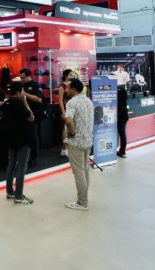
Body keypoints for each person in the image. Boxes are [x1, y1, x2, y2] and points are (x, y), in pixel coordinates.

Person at [2, 82, 35, 205]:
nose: (23, 94)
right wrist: (25, 102)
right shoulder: (19, 105)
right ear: (17, 93)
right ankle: (19, 196)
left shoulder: (5, 104)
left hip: (10, 139)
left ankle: (10, 192)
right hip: (22, 139)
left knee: (11, 165)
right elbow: (31, 117)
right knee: (21, 167)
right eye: (22, 92)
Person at [64, 78, 94, 211]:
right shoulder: (88, 100)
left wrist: (71, 133)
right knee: (85, 170)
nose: (66, 90)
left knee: (79, 172)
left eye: (67, 88)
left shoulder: (72, 102)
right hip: (88, 140)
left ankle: (82, 202)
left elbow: (68, 121)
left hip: (76, 142)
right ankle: (84, 198)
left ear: (74, 89)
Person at [18, 68, 43, 168]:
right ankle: (26, 158)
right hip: (24, 114)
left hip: (34, 114)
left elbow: (39, 99)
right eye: (20, 77)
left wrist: (25, 94)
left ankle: (34, 158)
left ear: (29, 76)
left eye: (23, 77)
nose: (21, 79)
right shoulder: (22, 85)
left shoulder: (35, 85)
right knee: (26, 137)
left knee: (33, 137)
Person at [111, 63, 130, 158]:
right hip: (124, 115)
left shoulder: (114, 91)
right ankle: (122, 151)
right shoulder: (123, 91)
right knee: (122, 133)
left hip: (119, 115)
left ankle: (120, 151)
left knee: (120, 133)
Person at [57, 69, 75, 157]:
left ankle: (70, 147)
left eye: (73, 75)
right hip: (65, 108)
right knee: (64, 129)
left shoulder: (72, 85)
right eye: (71, 74)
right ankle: (64, 149)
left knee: (71, 128)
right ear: (66, 75)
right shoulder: (62, 86)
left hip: (72, 108)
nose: (72, 76)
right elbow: (60, 100)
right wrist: (63, 112)